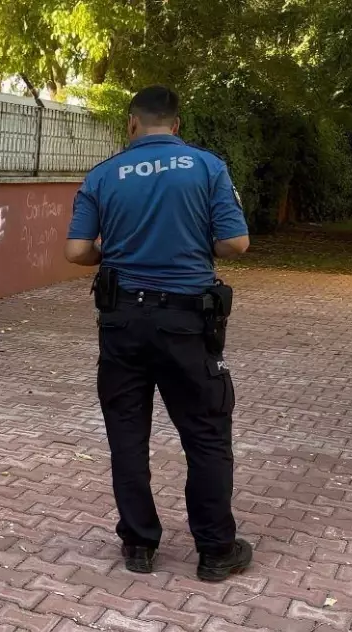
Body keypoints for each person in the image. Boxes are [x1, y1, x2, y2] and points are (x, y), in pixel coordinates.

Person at [63, 85, 253, 583]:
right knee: (207, 435)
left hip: (122, 322)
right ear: (177, 124)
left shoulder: (103, 175)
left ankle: (139, 545)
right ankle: (215, 551)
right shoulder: (208, 168)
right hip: (188, 324)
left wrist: (119, 251)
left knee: (127, 435)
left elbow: (77, 250)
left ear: (131, 124)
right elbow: (235, 243)